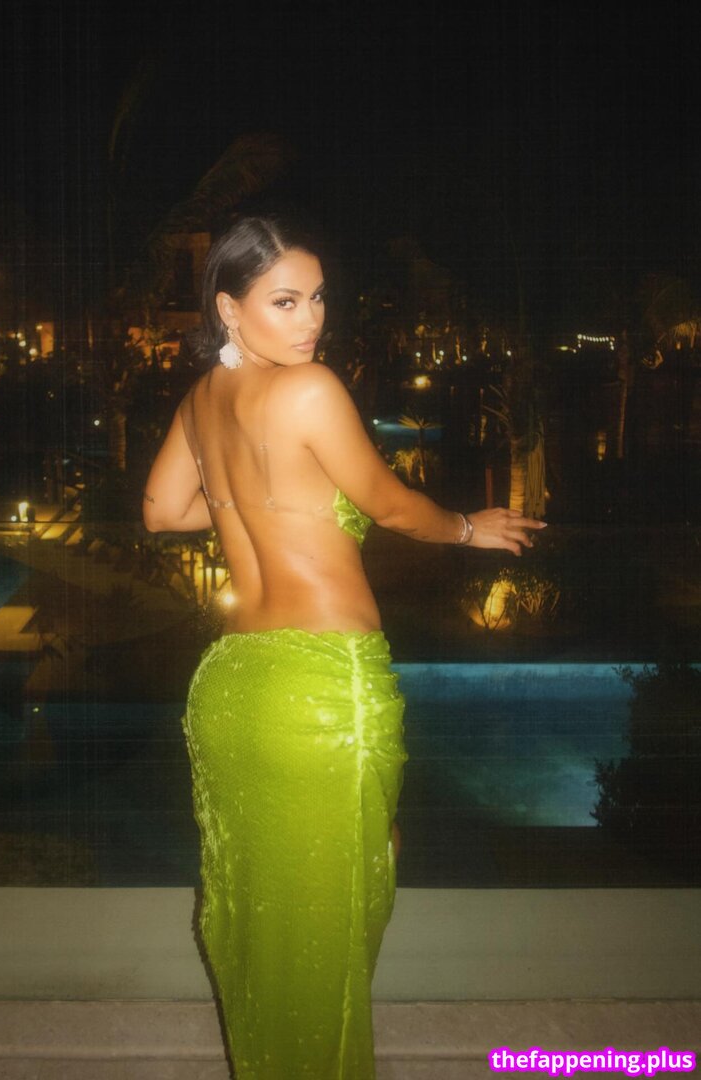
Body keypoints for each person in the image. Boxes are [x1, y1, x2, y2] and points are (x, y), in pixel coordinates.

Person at [142, 214, 546, 1079]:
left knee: (265, 910)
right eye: (285, 301)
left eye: (318, 298)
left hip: (231, 687)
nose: (312, 320)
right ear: (229, 308)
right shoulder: (309, 389)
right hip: (323, 686)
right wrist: (468, 527)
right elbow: (390, 504)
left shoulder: (199, 401)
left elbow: (163, 512)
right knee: (336, 909)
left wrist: (248, 503)